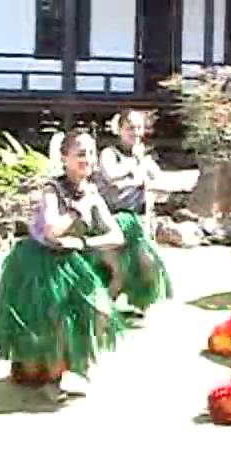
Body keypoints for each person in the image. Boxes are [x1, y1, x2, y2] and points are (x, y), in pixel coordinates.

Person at [0, 131, 128, 403]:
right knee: (55, 322)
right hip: (38, 261)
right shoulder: (53, 189)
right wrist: (77, 210)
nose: (86, 159)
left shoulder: (92, 193)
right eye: (80, 153)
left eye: (90, 152)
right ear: (65, 158)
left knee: (100, 311)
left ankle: (73, 365)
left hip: (70, 261)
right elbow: (52, 231)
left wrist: (85, 242)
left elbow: (116, 236)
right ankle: (52, 379)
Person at [93, 110, 172, 314]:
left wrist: (144, 176)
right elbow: (111, 177)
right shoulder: (110, 153)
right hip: (113, 220)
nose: (135, 132)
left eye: (138, 128)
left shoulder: (143, 156)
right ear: (119, 130)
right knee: (119, 269)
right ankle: (102, 308)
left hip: (138, 219)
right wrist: (137, 176)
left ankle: (141, 304)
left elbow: (161, 182)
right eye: (130, 128)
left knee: (149, 264)